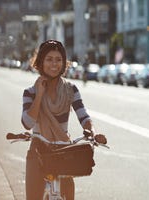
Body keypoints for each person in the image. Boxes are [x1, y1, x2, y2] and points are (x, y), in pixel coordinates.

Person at [21, 40, 106, 199]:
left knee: (69, 192)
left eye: (58, 59)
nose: (54, 64)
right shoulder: (30, 93)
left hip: (63, 151)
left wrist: (93, 133)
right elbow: (27, 123)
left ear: (64, 63)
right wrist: (39, 94)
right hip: (38, 149)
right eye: (49, 59)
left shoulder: (70, 89)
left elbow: (83, 116)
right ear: (40, 62)